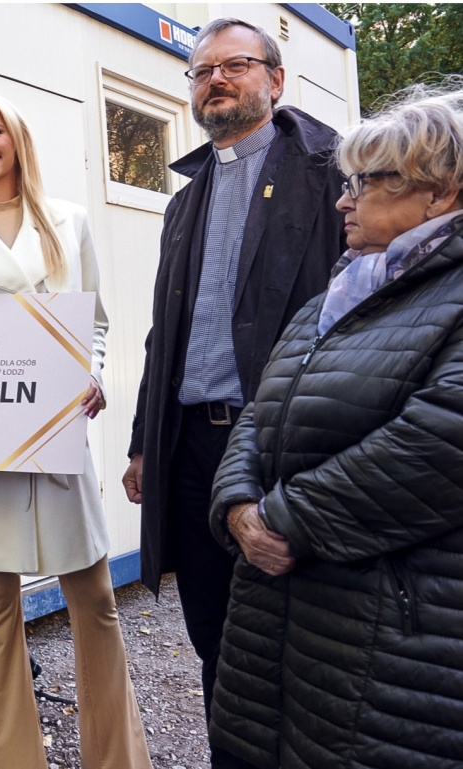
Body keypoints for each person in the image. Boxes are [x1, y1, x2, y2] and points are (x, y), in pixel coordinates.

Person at [207, 81, 463, 769]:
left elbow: (439, 443)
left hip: (390, 642)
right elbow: (262, 408)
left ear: (439, 192)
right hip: (279, 626)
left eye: (365, 183)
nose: (343, 201)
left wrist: (281, 518)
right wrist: (236, 506)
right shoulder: (342, 290)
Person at [119, 18, 346, 766]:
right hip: (190, 448)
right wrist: (144, 442)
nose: (215, 79)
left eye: (235, 65)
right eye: (201, 70)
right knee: (213, 637)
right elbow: (165, 333)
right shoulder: (185, 199)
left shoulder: (332, 175)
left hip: (289, 445)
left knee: (300, 640)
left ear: (275, 80)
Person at [0, 93, 151, 769]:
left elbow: (94, 322)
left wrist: (94, 375)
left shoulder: (69, 220)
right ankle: (11, 760)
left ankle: (119, 760)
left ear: (16, 139)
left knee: (96, 600)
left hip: (54, 432)